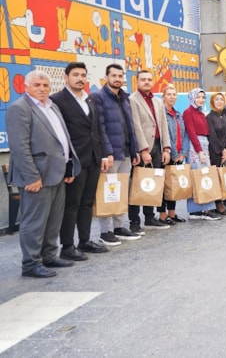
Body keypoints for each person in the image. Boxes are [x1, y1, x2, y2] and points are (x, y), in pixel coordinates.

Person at [8, 70, 80, 277]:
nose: (41, 89)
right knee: (35, 222)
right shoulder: (19, 108)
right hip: (36, 177)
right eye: (37, 85)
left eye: (45, 85)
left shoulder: (52, 106)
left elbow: (61, 139)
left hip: (56, 173)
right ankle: (31, 264)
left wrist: (68, 167)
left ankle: (48, 256)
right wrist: (31, 177)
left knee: (53, 220)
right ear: (26, 87)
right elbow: (19, 147)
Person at [50, 62, 110, 260]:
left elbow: (97, 130)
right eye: (75, 74)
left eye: (83, 75)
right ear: (66, 77)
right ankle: (67, 246)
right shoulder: (56, 100)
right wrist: (66, 164)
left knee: (87, 203)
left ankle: (84, 241)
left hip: (93, 159)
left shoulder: (89, 100)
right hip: (74, 161)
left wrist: (102, 155)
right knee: (71, 204)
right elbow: (57, 134)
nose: (80, 78)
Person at [89, 64, 141, 244]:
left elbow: (131, 127)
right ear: (106, 77)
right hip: (111, 155)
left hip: (126, 152)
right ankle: (106, 231)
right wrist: (107, 152)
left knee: (122, 191)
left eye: (120, 76)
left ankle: (119, 227)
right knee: (108, 192)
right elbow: (100, 127)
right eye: (114, 76)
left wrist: (134, 150)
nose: (117, 79)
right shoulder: (98, 97)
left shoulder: (125, 98)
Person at [129, 69, 172, 231]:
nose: (146, 82)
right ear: (137, 82)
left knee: (152, 183)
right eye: (143, 79)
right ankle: (134, 221)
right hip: (143, 148)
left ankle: (149, 217)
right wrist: (143, 150)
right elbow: (136, 126)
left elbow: (163, 126)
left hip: (158, 146)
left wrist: (166, 148)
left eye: (149, 79)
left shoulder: (158, 101)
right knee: (137, 184)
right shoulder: (133, 100)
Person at [183, 88, 220, 220]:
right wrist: (199, 151)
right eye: (198, 97)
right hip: (195, 146)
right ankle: (203, 209)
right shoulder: (188, 112)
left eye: (203, 97)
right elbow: (191, 133)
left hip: (203, 144)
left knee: (204, 175)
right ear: (192, 98)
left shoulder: (201, 113)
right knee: (199, 176)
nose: (201, 100)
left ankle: (199, 209)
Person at [160, 84, 188, 225]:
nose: (172, 97)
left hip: (178, 155)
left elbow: (183, 135)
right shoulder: (161, 114)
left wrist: (183, 153)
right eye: (169, 94)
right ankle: (163, 215)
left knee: (173, 184)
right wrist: (175, 154)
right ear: (163, 96)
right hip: (166, 154)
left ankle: (172, 213)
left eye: (174, 94)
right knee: (163, 186)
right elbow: (165, 136)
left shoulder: (178, 114)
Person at [205, 92, 226, 217]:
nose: (219, 102)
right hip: (215, 152)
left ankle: (224, 199)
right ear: (212, 102)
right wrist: (221, 150)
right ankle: (217, 203)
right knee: (216, 177)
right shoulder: (209, 117)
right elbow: (211, 135)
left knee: (225, 177)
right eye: (216, 99)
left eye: (221, 99)